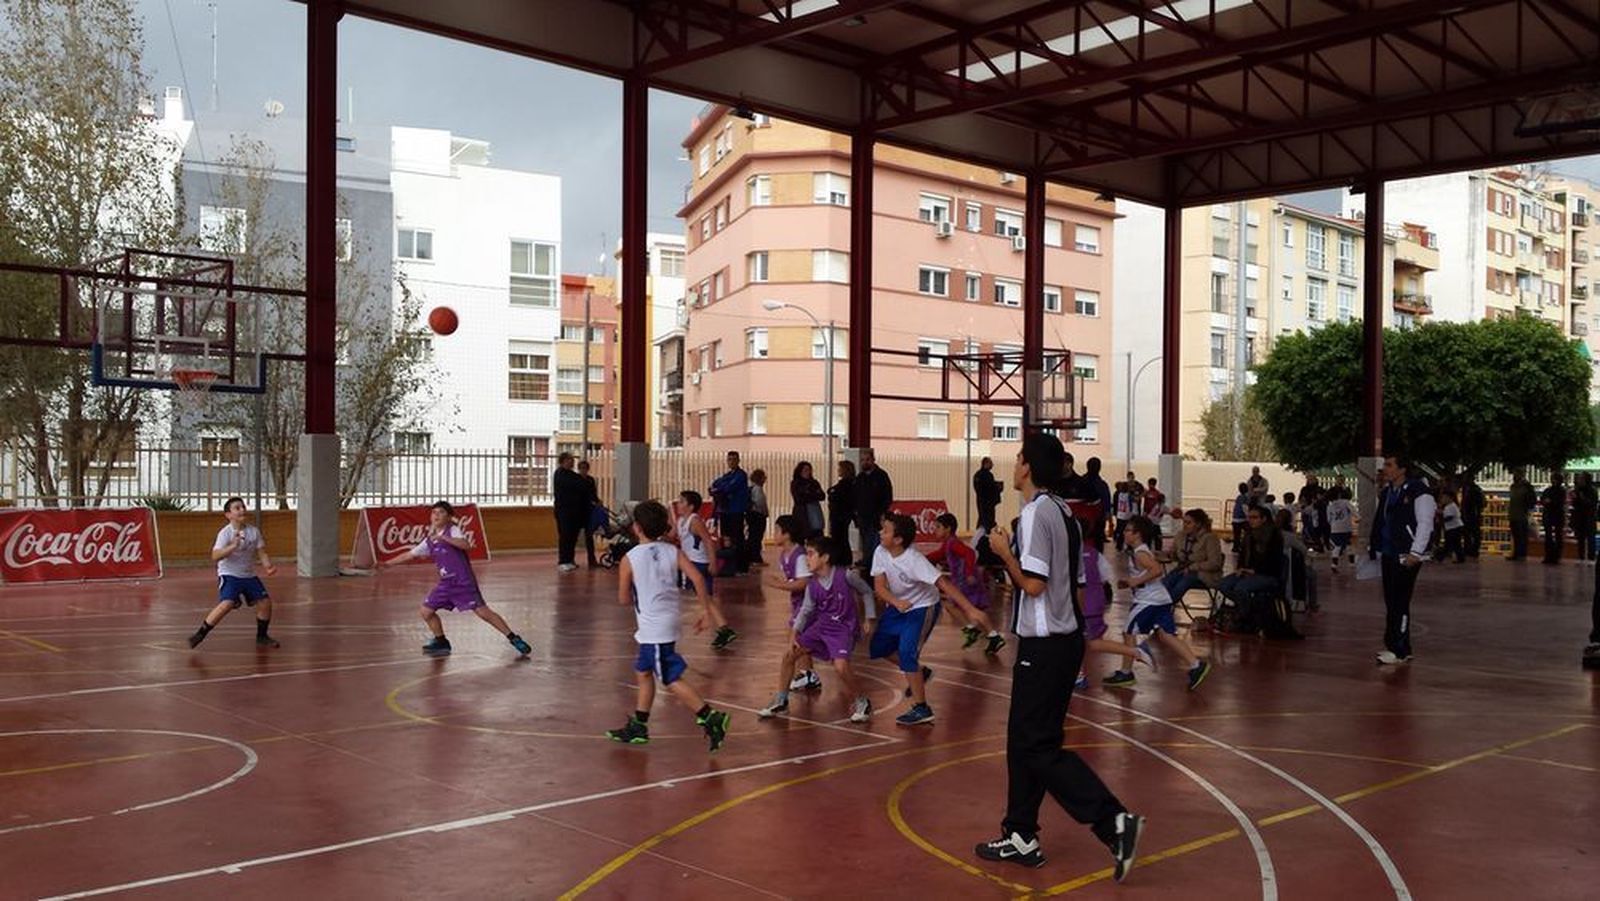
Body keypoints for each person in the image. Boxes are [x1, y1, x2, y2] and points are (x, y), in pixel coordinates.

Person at [974, 433, 1143, 881]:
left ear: (1027, 467)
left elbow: (1032, 585)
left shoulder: (1033, 516)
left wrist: (1003, 552)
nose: (1013, 465)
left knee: (1038, 745)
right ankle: (1020, 832)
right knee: (1022, 740)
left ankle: (1113, 823)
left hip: (1046, 644)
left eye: (1017, 458)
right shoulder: (1064, 511)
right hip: (1059, 640)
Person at [605, 500, 732, 752]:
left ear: (636, 527)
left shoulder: (629, 558)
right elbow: (697, 577)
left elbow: (622, 599)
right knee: (643, 671)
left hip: (653, 627)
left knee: (669, 676)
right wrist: (705, 611)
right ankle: (639, 725)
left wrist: (636, 589)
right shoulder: (672, 551)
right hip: (668, 620)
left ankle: (710, 716)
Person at [381, 501, 531, 659]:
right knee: (426, 611)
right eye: (434, 513)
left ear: (450, 517)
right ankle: (441, 641)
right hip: (446, 583)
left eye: (441, 512)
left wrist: (445, 538)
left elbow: (466, 545)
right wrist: (386, 564)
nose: (436, 515)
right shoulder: (430, 540)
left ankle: (514, 638)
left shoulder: (453, 531)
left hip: (463, 582)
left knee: (483, 612)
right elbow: (409, 555)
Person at [869, 513, 975, 726]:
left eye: (886, 530)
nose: (881, 532)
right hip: (900, 605)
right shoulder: (881, 551)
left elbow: (943, 584)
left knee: (908, 652)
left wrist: (969, 608)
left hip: (922, 607)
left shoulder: (915, 560)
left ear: (898, 539)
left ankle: (921, 708)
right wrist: (896, 602)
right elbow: (879, 586)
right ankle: (920, 671)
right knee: (878, 648)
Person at [758, 537, 873, 723]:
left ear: (825, 558)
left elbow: (867, 591)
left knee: (841, 666)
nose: (807, 559)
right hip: (822, 626)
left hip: (843, 628)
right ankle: (781, 699)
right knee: (789, 655)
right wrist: (795, 633)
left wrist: (869, 617)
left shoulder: (846, 575)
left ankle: (862, 701)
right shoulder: (812, 584)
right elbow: (805, 610)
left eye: (811, 554)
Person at [1103, 516, 1211, 690]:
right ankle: (1195, 664)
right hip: (1160, 599)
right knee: (1166, 635)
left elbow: (1156, 570)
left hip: (1149, 600)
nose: (1124, 533)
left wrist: (1135, 582)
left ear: (1137, 534)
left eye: (1127, 530)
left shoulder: (1140, 553)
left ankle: (1125, 672)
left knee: (1128, 632)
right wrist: (1133, 581)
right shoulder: (1140, 551)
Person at [188, 497, 281, 649]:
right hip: (229, 574)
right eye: (237, 508)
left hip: (249, 575)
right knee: (227, 603)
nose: (242, 510)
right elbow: (215, 556)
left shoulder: (253, 531)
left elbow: (261, 552)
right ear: (228, 515)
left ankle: (262, 637)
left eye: (243, 507)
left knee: (265, 603)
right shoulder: (225, 533)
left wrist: (267, 566)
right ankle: (200, 634)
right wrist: (233, 546)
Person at [1368, 455, 1436, 665]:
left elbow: (1425, 523)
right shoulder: (1389, 492)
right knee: (1391, 599)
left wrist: (1415, 552)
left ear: (1402, 469)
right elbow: (1382, 520)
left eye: (1389, 465)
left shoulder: (1419, 492)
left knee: (1400, 600)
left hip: (1407, 555)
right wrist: (1375, 545)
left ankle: (1400, 649)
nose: (1385, 469)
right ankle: (1394, 644)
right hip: (1390, 553)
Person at [925, 512, 1007, 656]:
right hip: (961, 583)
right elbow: (938, 555)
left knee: (971, 610)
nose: (935, 530)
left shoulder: (953, 543)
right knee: (951, 606)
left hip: (967, 583)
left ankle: (993, 635)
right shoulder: (948, 543)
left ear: (948, 529)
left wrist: (969, 573)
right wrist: (917, 560)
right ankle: (974, 628)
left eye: (938, 527)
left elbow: (969, 553)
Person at [674, 490, 738, 650]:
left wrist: (713, 562)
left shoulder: (694, 521)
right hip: (691, 563)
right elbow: (670, 536)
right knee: (705, 597)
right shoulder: (681, 520)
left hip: (699, 563)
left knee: (705, 597)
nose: (679, 504)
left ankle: (722, 627)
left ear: (691, 506)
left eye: (682, 502)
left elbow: (708, 541)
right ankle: (724, 628)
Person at [764, 515, 818, 691]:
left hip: (807, 604)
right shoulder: (784, 555)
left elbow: (803, 583)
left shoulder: (799, 555)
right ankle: (808, 674)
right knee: (800, 639)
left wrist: (779, 584)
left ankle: (806, 674)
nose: (775, 533)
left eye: (778, 530)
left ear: (787, 534)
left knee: (795, 639)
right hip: (798, 603)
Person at [1218, 505, 1284, 630]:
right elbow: (1243, 556)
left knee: (1241, 588)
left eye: (1254, 517)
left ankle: (1245, 616)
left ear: (1264, 519)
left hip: (1267, 574)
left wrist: (1253, 570)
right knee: (1223, 585)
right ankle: (1249, 608)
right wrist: (1240, 568)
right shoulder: (1249, 535)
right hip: (1246, 572)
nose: (1250, 520)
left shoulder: (1273, 536)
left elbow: (1274, 561)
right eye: (1249, 517)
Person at [1159, 508, 1224, 605]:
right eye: (1184, 522)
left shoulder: (1210, 538)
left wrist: (1194, 567)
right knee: (1166, 582)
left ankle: (1165, 605)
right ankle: (1158, 605)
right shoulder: (1181, 536)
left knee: (1183, 582)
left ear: (1198, 524)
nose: (1185, 525)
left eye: (1188, 523)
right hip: (1182, 570)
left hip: (1203, 575)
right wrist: (1166, 554)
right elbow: (1175, 555)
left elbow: (1215, 563)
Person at [710, 451, 751, 574]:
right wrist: (719, 488)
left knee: (737, 538)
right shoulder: (727, 475)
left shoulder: (741, 475)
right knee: (726, 538)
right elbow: (716, 484)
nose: (731, 462)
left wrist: (719, 489)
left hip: (736, 511)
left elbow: (728, 488)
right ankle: (729, 566)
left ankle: (741, 566)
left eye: (734, 459)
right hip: (725, 510)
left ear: (738, 461)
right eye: (729, 459)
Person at [855, 449, 894, 571]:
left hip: (876, 515)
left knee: (875, 540)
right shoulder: (860, 477)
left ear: (873, 460)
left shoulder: (881, 476)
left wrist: (882, 512)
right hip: (862, 515)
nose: (865, 462)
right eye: (862, 460)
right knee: (865, 540)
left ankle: (875, 562)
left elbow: (887, 495)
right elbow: (855, 496)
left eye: (867, 460)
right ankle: (867, 561)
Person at [552, 452, 588, 573]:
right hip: (563, 511)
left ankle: (570, 560)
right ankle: (563, 561)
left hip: (575, 511)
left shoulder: (573, 475)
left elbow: (583, 486)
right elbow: (573, 485)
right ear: (562, 461)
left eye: (572, 460)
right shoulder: (559, 474)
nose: (572, 462)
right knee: (565, 536)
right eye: (569, 460)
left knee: (573, 536)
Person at [828, 459, 857, 569]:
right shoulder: (848, 484)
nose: (838, 470)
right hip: (842, 515)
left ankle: (841, 559)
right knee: (842, 537)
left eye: (840, 469)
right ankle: (844, 558)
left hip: (840, 515)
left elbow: (835, 494)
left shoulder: (846, 485)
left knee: (839, 537)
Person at [1082, 457, 1112, 550]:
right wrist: (1107, 515)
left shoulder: (1081, 481)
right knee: (1097, 543)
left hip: (1086, 519)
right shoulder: (1101, 485)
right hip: (1095, 518)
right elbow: (1106, 502)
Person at [790, 461, 826, 538]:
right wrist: (813, 494)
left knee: (816, 534)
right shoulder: (796, 483)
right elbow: (799, 498)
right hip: (801, 513)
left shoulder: (814, 482)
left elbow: (822, 496)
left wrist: (808, 494)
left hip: (814, 511)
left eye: (809, 470)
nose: (808, 472)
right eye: (805, 470)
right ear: (800, 471)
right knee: (801, 534)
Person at [578, 459, 601, 568]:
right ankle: (570, 559)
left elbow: (593, 493)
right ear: (579, 469)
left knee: (589, 536)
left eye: (585, 469)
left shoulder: (591, 480)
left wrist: (597, 501)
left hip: (589, 511)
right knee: (574, 536)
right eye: (582, 468)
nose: (584, 471)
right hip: (578, 511)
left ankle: (592, 560)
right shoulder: (575, 479)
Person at [1507, 469, 1535, 561]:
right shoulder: (1513, 486)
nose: (1514, 477)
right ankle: (1516, 553)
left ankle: (1522, 554)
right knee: (1515, 535)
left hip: (1522, 515)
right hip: (1513, 514)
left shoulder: (1527, 487)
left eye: (1517, 474)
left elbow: (1531, 501)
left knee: (1522, 535)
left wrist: (1527, 509)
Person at [1540, 473, 1567, 565]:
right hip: (1550, 515)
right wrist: (1546, 501)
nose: (1553, 481)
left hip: (1556, 515)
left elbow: (1558, 502)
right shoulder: (1549, 490)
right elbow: (1542, 499)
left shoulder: (1560, 491)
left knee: (1557, 536)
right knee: (1549, 536)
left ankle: (1555, 556)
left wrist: (1549, 501)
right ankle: (1549, 556)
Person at [1327, 486, 1356, 571]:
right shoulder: (1346, 502)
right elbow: (1354, 511)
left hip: (1335, 529)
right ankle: (1352, 563)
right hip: (1346, 528)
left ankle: (1334, 564)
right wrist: (1358, 517)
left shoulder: (1330, 506)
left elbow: (1329, 519)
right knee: (1349, 545)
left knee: (1337, 546)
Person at [747, 468, 770, 567]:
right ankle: (755, 558)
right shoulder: (757, 489)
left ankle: (752, 557)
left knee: (753, 536)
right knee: (757, 537)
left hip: (752, 515)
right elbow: (760, 503)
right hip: (758, 515)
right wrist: (765, 512)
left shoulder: (751, 488)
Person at [1573, 473, 1597, 565]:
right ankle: (1581, 557)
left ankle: (1591, 557)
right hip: (1580, 517)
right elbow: (1575, 504)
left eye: (1581, 479)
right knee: (1580, 538)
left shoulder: (1592, 491)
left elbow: (1591, 504)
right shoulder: (1578, 490)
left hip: (1589, 517)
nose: (1579, 481)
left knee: (1590, 538)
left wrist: (1581, 498)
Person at [973, 456, 1003, 531]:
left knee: (982, 518)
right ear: (986, 463)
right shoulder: (987, 475)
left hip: (981, 501)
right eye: (991, 463)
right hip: (987, 503)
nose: (992, 465)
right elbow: (989, 487)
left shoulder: (978, 474)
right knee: (988, 521)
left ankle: (980, 533)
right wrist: (997, 487)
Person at [1436, 491, 1466, 563]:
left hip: (1454, 528)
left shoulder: (1451, 506)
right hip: (1452, 527)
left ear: (1450, 498)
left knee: (1450, 544)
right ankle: (1460, 558)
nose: (1443, 500)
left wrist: (1441, 521)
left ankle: (1440, 557)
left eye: (1444, 498)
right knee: (1455, 544)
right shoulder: (1449, 506)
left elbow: (1449, 517)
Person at [1461, 474, 1486, 558]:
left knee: (1474, 533)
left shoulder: (1476, 489)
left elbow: (1481, 503)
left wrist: (1477, 511)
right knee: (1467, 533)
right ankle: (1468, 549)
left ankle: (1474, 550)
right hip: (1467, 514)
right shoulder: (1466, 488)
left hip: (1473, 514)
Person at [1231, 481, 1250, 563]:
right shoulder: (1245, 497)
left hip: (1235, 518)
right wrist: (1248, 517)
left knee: (1236, 534)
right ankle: (1244, 547)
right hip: (1242, 519)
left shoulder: (1239, 497)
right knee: (1248, 533)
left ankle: (1235, 547)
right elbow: (1245, 508)